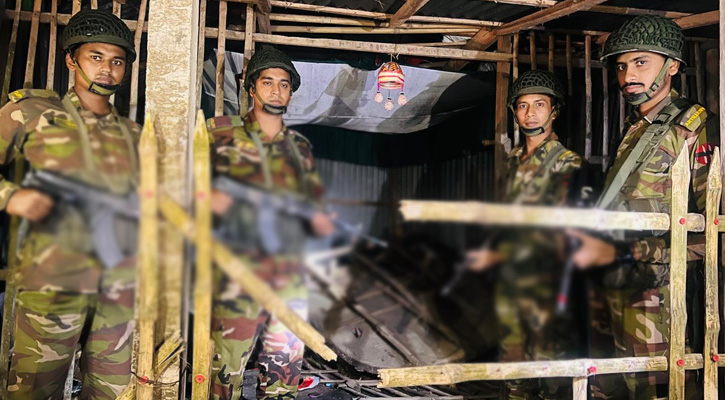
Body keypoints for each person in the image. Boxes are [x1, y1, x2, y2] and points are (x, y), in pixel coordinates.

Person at [569, 15, 718, 399]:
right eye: (621, 66)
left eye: (640, 62)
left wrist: (637, 251)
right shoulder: (637, 127)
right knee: (607, 384)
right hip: (612, 282)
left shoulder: (694, 127)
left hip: (657, 296)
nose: (628, 75)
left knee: (657, 390)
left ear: (673, 67)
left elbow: (715, 230)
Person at [0, 9, 140, 399]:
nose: (107, 69)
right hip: (53, 287)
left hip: (117, 293)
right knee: (33, 392)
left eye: (117, 61)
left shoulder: (133, 134)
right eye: (96, 57)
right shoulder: (32, 112)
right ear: (70, 59)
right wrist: (13, 196)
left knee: (112, 392)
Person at [206, 46, 334, 400]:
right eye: (267, 82)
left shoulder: (298, 146)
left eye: (284, 84)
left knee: (284, 368)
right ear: (251, 88)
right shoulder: (218, 133)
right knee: (226, 368)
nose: (276, 91)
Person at [467, 70, 585, 399]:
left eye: (539, 104)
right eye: (522, 105)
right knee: (515, 374)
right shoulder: (513, 161)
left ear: (554, 110)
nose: (530, 113)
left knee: (550, 376)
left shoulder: (569, 164)